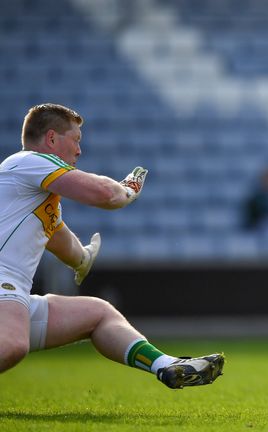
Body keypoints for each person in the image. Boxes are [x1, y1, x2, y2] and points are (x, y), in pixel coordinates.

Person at [0, 103, 224, 389]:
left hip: (11, 295)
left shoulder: (32, 196)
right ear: (52, 139)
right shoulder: (28, 161)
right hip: (3, 287)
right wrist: (126, 190)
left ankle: (168, 365)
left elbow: (61, 241)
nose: (79, 151)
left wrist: (83, 258)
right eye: (76, 140)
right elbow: (104, 193)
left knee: (98, 313)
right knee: (12, 344)